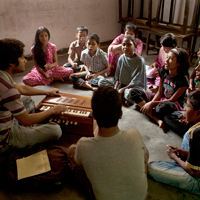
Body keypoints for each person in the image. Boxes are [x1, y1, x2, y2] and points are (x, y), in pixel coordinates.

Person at [67, 86, 149, 200]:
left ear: (94, 116)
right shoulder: (134, 134)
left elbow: (77, 161)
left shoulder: (83, 145)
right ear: (120, 114)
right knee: (143, 153)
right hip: (141, 197)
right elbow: (146, 156)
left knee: (71, 150)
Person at [0, 38, 68, 153]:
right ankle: (26, 139)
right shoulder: (7, 89)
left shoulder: (3, 75)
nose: (25, 61)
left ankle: (29, 133)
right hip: (5, 138)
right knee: (55, 130)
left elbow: (21, 88)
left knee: (27, 101)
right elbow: (27, 120)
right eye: (22, 57)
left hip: (6, 120)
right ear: (11, 63)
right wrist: (53, 110)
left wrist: (47, 92)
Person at [148, 90, 200, 196]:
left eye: (188, 106)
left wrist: (174, 156)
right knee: (187, 135)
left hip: (197, 178)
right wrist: (183, 152)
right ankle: (184, 163)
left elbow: (195, 173)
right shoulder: (196, 129)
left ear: (198, 113)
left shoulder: (197, 133)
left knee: (151, 167)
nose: (184, 109)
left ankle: (180, 166)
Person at [128, 47, 189, 131]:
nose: (166, 61)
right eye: (167, 57)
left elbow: (171, 99)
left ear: (179, 63)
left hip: (172, 104)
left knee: (161, 108)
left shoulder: (183, 80)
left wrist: (152, 103)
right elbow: (160, 92)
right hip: (160, 99)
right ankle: (157, 119)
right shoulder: (164, 71)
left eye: (170, 58)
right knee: (133, 92)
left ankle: (144, 107)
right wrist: (152, 102)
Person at [98, 35, 146, 105]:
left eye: (129, 45)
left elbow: (137, 80)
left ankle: (123, 96)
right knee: (101, 82)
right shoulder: (121, 58)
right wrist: (115, 88)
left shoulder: (140, 61)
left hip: (132, 87)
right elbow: (117, 76)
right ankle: (121, 96)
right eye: (123, 44)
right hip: (121, 84)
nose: (125, 47)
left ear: (135, 46)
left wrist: (123, 89)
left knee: (130, 94)